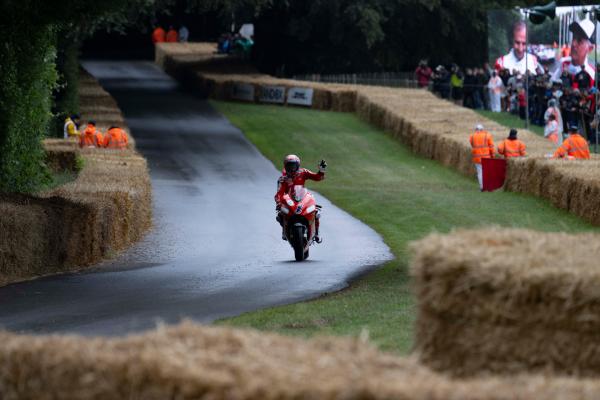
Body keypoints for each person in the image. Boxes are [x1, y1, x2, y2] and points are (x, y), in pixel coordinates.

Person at [275, 155, 326, 242]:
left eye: (293, 166)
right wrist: (279, 203)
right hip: (289, 201)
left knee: (315, 212)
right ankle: (284, 231)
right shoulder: (282, 179)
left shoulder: (303, 172)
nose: (292, 169)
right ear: (285, 166)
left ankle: (317, 233)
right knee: (280, 215)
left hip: (301, 197)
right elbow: (279, 194)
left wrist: (321, 170)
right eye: (289, 166)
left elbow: (318, 177)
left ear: (298, 165)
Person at [551, 19, 596, 89]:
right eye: (573, 38)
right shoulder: (564, 64)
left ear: (590, 49)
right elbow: (552, 82)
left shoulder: (592, 75)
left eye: (579, 41)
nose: (573, 44)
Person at [469, 124, 495, 190]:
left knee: (480, 172)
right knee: (487, 172)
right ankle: (488, 186)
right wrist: (493, 155)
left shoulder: (472, 136)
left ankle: (482, 187)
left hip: (477, 158)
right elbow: (491, 147)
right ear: (482, 130)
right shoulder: (487, 135)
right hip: (486, 157)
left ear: (476, 130)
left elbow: (472, 145)